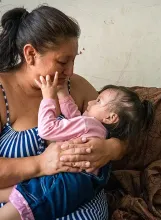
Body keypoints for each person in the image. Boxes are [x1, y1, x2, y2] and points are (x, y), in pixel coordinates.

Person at [0, 5, 128, 220]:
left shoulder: (73, 87)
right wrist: (41, 164)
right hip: (19, 208)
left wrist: (110, 148)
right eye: (62, 61)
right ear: (30, 54)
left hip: (81, 203)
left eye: (73, 60)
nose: (70, 71)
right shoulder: (2, 93)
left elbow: (124, 131)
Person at [0, 71, 154, 219]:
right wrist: (63, 93)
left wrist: (48, 98)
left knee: (30, 200)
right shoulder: (97, 129)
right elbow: (74, 118)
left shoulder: (88, 124)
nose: (91, 101)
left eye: (98, 101)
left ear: (111, 117)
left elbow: (47, 129)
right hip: (83, 183)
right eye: (63, 60)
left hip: (67, 181)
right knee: (32, 193)